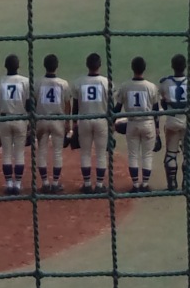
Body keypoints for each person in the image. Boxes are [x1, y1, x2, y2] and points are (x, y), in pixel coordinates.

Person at [114, 56, 161, 193]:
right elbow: (156, 110)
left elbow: (117, 109)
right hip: (148, 124)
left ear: (132, 68)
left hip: (132, 124)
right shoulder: (151, 87)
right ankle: (145, 185)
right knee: (147, 155)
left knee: (133, 155)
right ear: (144, 69)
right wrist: (157, 128)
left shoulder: (125, 86)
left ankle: (135, 185)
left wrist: (110, 121)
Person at [159, 54, 190, 191]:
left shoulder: (165, 83)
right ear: (185, 66)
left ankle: (172, 184)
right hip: (188, 122)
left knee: (171, 153)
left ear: (172, 66)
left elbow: (163, 104)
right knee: (189, 155)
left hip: (172, 122)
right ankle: (187, 183)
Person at [72, 53, 112, 194]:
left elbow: (75, 106)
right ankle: (100, 185)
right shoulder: (107, 82)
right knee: (101, 154)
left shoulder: (79, 82)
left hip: (84, 120)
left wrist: (74, 123)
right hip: (102, 120)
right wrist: (111, 123)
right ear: (100, 65)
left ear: (87, 65)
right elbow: (111, 106)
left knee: (85, 153)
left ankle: (87, 184)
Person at [0, 54, 30, 196]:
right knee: (19, 153)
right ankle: (17, 185)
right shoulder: (26, 81)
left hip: (4, 120)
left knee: (6, 153)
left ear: (5, 66)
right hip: (20, 120)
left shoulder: (0, 81)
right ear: (18, 66)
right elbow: (29, 104)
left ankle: (8, 184)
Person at [34, 54, 71, 194]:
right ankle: (55, 183)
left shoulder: (38, 83)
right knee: (57, 152)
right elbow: (67, 104)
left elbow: (33, 102)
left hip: (41, 119)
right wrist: (67, 122)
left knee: (41, 151)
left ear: (45, 66)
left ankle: (44, 183)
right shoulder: (63, 83)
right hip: (57, 120)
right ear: (57, 66)